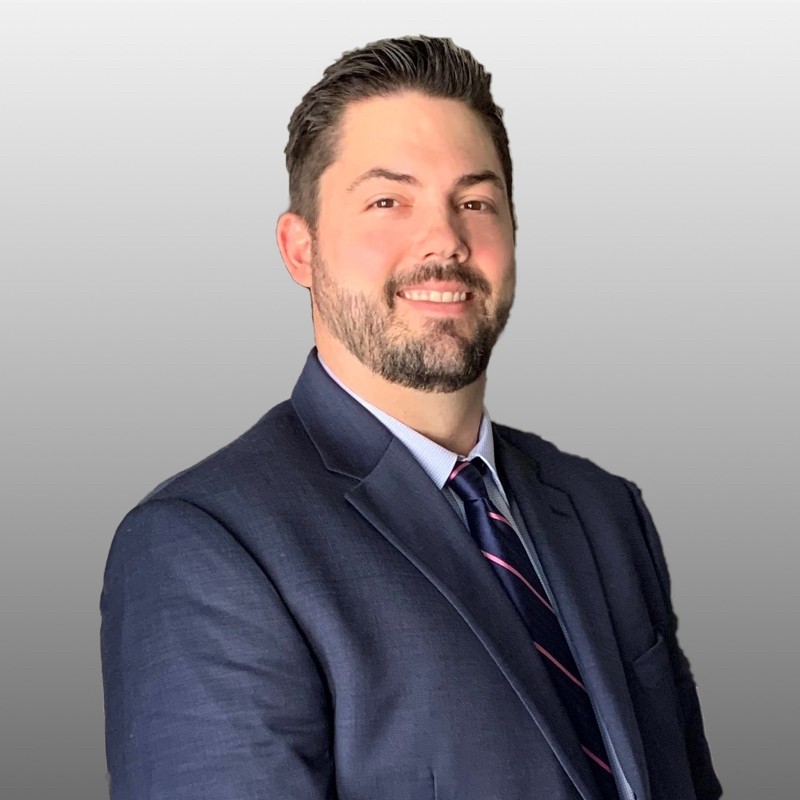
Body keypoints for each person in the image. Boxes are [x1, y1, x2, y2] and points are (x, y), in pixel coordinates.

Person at [100, 35, 722, 800]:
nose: (445, 240)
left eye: (475, 202)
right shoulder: (205, 547)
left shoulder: (605, 510)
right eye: (388, 201)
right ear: (301, 249)